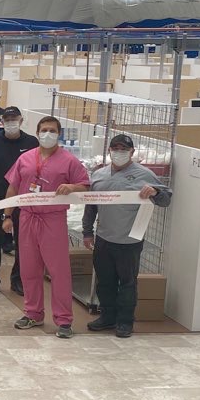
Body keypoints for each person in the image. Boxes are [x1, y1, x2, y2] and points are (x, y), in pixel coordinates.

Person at [3, 116, 90, 338]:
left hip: (53, 219)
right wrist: (7, 216)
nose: (47, 134)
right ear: (38, 132)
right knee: (29, 269)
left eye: (52, 130)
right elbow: (13, 187)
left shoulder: (69, 160)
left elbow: (85, 186)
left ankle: (63, 320)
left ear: (58, 134)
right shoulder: (25, 158)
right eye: (44, 130)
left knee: (59, 271)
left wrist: (71, 187)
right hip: (27, 218)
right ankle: (33, 313)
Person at [81, 135, 172, 338]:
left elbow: (166, 200)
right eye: (115, 148)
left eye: (124, 148)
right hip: (103, 238)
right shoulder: (99, 175)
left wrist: (156, 192)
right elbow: (91, 206)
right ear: (109, 151)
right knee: (105, 282)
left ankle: (125, 321)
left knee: (128, 283)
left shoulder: (144, 174)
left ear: (132, 152)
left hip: (130, 240)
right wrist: (87, 232)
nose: (119, 152)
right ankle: (107, 317)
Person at [0, 107, 37, 297]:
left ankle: (17, 279)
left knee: (22, 243)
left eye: (14, 118)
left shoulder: (32, 142)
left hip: (23, 201)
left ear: (21, 120)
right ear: (2, 121)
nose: (11, 122)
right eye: (7, 119)